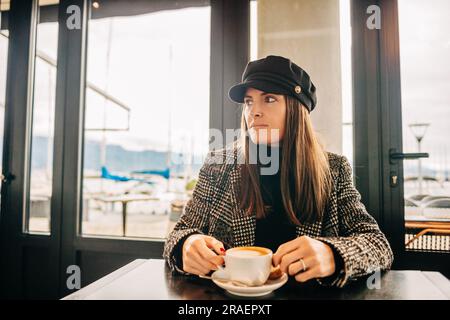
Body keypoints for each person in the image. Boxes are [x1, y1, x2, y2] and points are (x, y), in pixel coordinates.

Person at [163, 55, 393, 287]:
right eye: (249, 101)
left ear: (297, 108)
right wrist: (186, 245)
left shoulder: (334, 170)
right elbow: (178, 234)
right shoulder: (218, 165)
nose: (254, 111)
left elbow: (378, 245)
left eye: (269, 99)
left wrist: (333, 254)